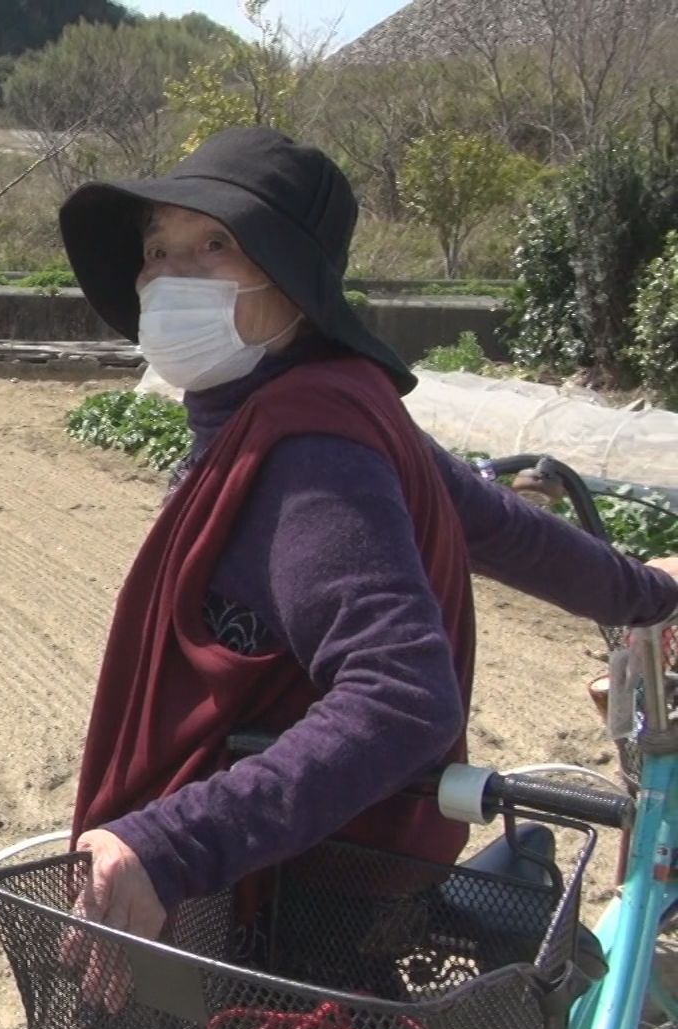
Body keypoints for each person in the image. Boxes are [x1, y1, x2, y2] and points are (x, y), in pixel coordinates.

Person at [55, 127, 678, 947]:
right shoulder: (328, 405)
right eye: (157, 247)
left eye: (215, 244)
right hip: (327, 885)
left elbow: (401, 697)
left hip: (286, 911)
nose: (170, 275)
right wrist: (649, 592)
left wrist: (174, 843)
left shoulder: (311, 446)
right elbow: (502, 527)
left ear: (296, 288)